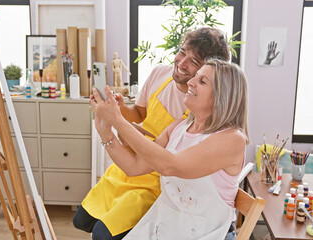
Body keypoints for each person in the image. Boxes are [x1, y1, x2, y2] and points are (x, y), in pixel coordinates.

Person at [73, 27, 230, 240]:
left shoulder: (197, 108)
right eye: (182, 52)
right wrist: (120, 111)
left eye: (194, 62)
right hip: (131, 163)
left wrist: (116, 123)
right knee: (81, 221)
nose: (182, 64)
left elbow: (160, 155)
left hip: (156, 179)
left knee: (103, 235)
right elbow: (139, 113)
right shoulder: (160, 75)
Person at [90, 58, 249, 239]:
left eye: (202, 81)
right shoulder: (181, 127)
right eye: (195, 77)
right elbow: (134, 166)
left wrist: (118, 120)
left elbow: (169, 165)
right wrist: (106, 133)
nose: (190, 82)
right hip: (166, 225)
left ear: (222, 96)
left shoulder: (232, 139)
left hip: (205, 233)